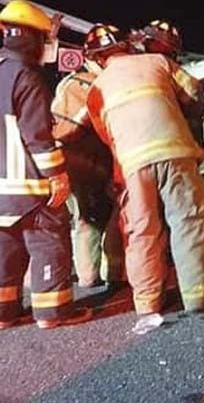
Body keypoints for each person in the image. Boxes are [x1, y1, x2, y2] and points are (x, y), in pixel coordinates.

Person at [83, 23, 204, 323]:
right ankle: (199, 296)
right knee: (188, 222)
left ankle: (148, 304)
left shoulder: (96, 88)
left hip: (133, 164)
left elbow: (106, 134)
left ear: (94, 58)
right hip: (178, 153)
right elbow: (196, 95)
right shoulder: (159, 62)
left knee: (141, 231)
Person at [0, 0, 92, 329]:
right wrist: (58, 176)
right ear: (33, 39)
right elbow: (38, 136)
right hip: (28, 186)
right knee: (48, 243)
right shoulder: (28, 77)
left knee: (5, 251)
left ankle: (4, 313)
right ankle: (52, 313)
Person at [51, 60, 123, 288]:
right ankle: (113, 272)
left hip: (69, 162)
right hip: (92, 161)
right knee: (116, 212)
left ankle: (87, 276)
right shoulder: (95, 83)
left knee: (83, 219)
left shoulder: (69, 82)